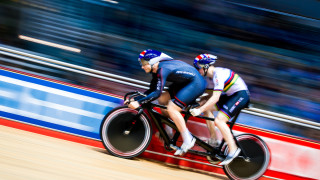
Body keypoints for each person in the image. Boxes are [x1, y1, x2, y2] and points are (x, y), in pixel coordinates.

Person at [126, 49, 207, 156]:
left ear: (153, 61)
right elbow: (152, 90)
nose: (142, 66)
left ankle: (188, 138)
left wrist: (139, 103)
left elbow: (156, 93)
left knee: (172, 108)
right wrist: (136, 100)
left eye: (144, 63)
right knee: (163, 100)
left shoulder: (162, 69)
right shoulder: (157, 70)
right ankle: (168, 132)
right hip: (185, 83)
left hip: (196, 84)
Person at [190, 54, 250, 165]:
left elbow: (215, 97)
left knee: (219, 120)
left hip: (241, 95)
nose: (197, 70)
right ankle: (214, 140)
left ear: (205, 66)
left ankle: (233, 150)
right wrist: (197, 104)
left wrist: (199, 110)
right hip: (231, 95)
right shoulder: (210, 77)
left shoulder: (218, 74)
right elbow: (207, 97)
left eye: (198, 68)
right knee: (206, 106)